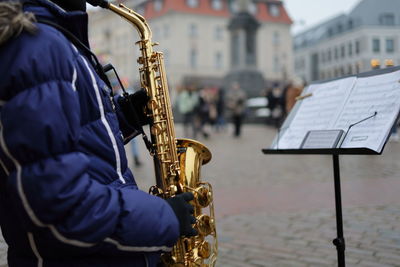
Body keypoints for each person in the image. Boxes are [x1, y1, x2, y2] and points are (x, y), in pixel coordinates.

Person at [0, 1, 196, 266]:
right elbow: (62, 211)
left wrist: (125, 116)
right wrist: (165, 217)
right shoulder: (39, 46)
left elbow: (69, 139)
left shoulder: (55, 38)